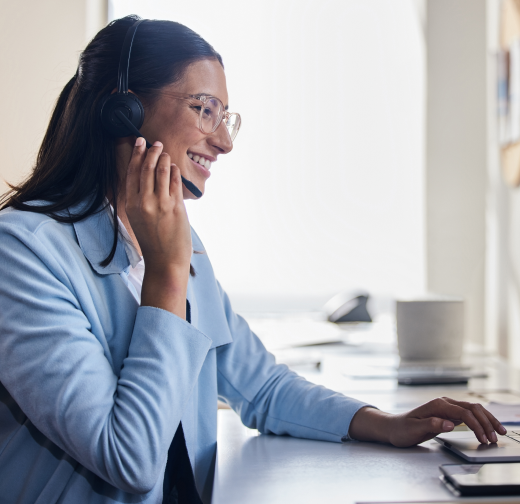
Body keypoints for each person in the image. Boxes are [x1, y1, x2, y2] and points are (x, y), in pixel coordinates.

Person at [0, 15, 506, 504]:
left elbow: (261, 385)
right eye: (204, 110)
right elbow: (127, 457)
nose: (223, 141)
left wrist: (386, 424)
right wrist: (168, 274)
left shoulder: (180, 241)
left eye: (226, 118)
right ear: (123, 110)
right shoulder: (23, 253)